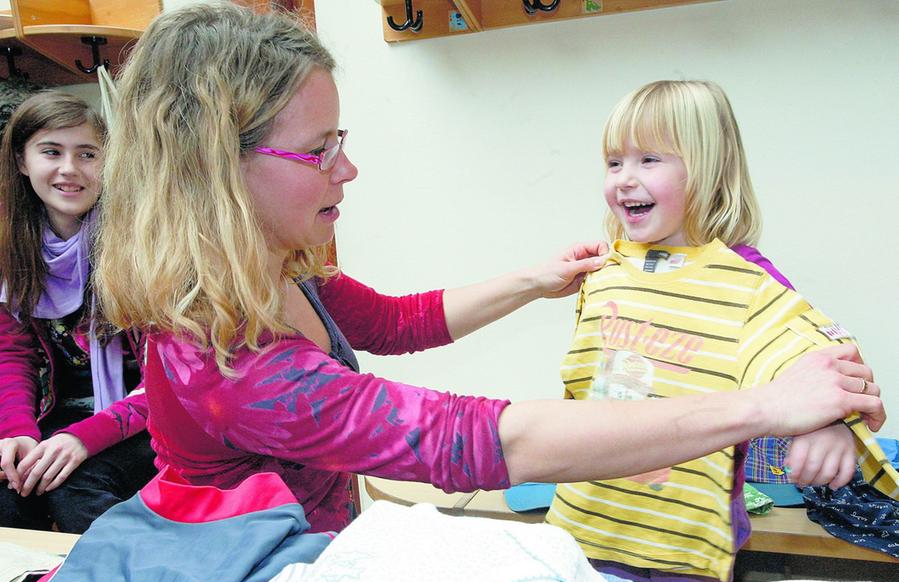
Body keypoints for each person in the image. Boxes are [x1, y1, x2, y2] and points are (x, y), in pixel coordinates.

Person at [94, 3, 883, 536]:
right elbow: (467, 436)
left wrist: (531, 281)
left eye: (343, 139)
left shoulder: (280, 268)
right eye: (319, 150)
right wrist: (765, 407)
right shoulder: (227, 360)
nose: (350, 170)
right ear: (214, 169)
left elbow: (393, 322)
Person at [544, 79, 896, 582]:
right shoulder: (604, 270)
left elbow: (817, 352)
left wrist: (829, 424)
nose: (624, 178)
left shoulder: (747, 278)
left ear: (706, 168)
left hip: (682, 549)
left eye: (649, 160)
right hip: (579, 530)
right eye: (614, 162)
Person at [0, 91, 156, 533]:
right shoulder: (10, 249)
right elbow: (12, 355)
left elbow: (167, 380)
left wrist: (84, 438)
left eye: (87, 154)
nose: (70, 169)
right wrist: (18, 433)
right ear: (22, 161)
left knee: (76, 488)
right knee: (11, 485)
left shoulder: (138, 247)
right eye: (51, 151)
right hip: (58, 416)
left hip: (142, 418)